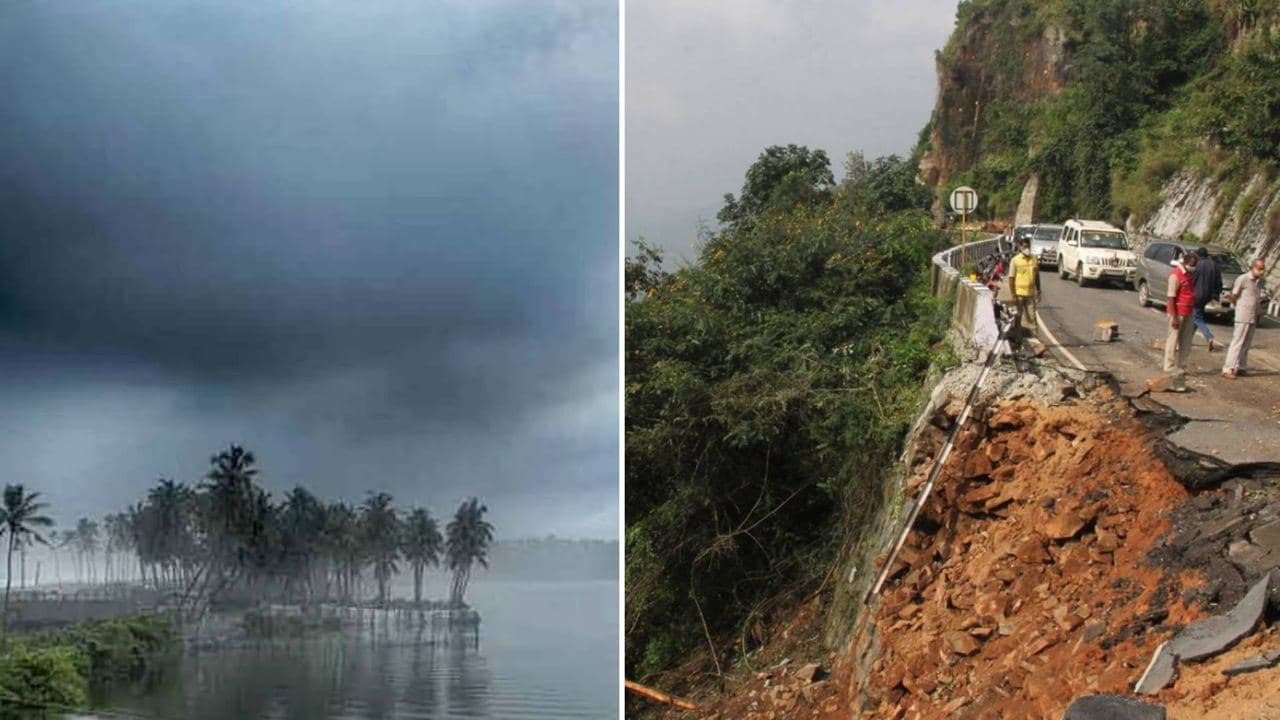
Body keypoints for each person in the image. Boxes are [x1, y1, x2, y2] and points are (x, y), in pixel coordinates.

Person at [1222, 258, 1268, 379]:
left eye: (1263, 269)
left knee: (1246, 343)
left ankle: (1241, 366)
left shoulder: (1260, 282)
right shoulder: (1243, 279)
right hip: (1242, 315)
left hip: (1253, 315)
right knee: (1237, 342)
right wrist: (1239, 306)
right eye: (1259, 268)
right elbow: (1234, 296)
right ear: (1253, 267)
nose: (1261, 271)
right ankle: (1228, 368)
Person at [1164, 251, 1199, 380]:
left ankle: (1182, 366)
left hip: (1188, 311)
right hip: (1177, 312)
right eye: (1192, 264)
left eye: (1195, 265)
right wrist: (1174, 317)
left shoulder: (1188, 275)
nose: (1193, 267)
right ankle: (1169, 366)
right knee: (1173, 340)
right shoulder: (1176, 275)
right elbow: (1171, 297)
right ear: (1184, 261)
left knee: (1186, 341)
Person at [1008, 237, 1041, 338]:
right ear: (1020, 247)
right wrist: (1013, 295)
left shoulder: (1034, 259)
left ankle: (1035, 339)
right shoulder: (1015, 260)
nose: (1027, 248)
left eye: (1028, 246)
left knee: (1032, 317)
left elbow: (1037, 276)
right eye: (1025, 246)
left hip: (1030, 294)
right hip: (1019, 294)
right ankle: (1018, 338)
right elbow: (1011, 278)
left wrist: (1039, 290)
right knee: (1018, 317)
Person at [1192, 247, 1223, 352]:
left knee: (1197, 318)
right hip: (1207, 296)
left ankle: (1209, 337)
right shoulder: (1214, 265)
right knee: (1196, 315)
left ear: (1198, 255)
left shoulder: (1197, 265)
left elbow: (1192, 279)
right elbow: (1219, 282)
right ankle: (1188, 339)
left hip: (1196, 295)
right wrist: (1216, 295)